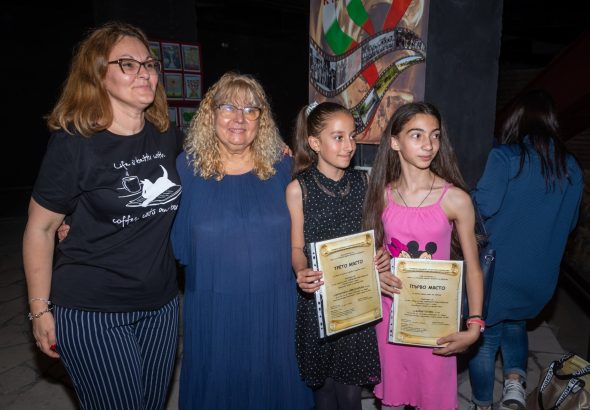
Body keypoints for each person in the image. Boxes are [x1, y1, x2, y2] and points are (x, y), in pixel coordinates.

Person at [22, 21, 183, 410]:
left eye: (149, 64)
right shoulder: (74, 144)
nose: (144, 73)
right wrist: (39, 309)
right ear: (98, 74)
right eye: (128, 64)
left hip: (161, 305)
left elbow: (217, 156)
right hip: (94, 309)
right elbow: (40, 229)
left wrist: (272, 148)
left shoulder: (166, 134)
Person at [171, 72, 313, 409]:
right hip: (214, 307)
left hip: (276, 305)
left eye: (251, 110)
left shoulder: (283, 166)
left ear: (261, 120)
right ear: (211, 114)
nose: (240, 118)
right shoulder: (187, 169)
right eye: (229, 107)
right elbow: (171, 238)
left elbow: (312, 224)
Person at [363, 102, 484, 409]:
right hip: (391, 319)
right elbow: (373, 252)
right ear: (395, 142)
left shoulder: (455, 199)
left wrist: (474, 326)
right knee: (391, 402)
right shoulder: (381, 195)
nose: (429, 145)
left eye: (435, 135)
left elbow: (473, 267)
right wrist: (377, 271)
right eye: (416, 135)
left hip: (435, 321)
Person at [467, 90, 583, 410]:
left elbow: (483, 207)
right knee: (516, 323)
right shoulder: (571, 167)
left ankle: (481, 404)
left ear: (515, 120)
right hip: (540, 276)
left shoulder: (505, 157)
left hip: (498, 273)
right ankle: (515, 387)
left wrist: (469, 194)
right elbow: (571, 222)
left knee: (486, 336)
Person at [286, 102, 390, 410]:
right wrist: (301, 271)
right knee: (323, 392)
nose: (349, 145)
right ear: (315, 143)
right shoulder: (298, 189)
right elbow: (296, 248)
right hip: (318, 302)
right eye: (338, 137)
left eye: (352, 136)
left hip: (356, 301)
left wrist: (381, 254)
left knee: (350, 394)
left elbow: (375, 235)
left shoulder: (363, 182)